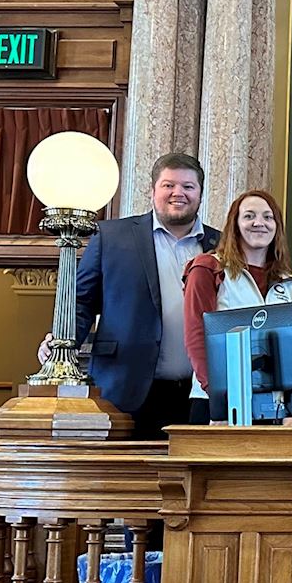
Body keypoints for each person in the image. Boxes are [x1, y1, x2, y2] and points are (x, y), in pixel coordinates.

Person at [61, 153, 220, 439]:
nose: (178, 194)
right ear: (153, 191)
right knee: (121, 480)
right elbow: (81, 302)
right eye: (168, 185)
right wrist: (62, 340)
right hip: (126, 387)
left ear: (200, 194)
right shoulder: (111, 236)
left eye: (188, 187)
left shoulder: (221, 245)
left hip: (200, 395)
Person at [182, 189, 292, 424]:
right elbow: (196, 336)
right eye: (249, 216)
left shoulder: (288, 280)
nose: (259, 223)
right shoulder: (208, 268)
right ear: (235, 224)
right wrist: (218, 398)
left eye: (268, 216)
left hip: (272, 405)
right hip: (216, 401)